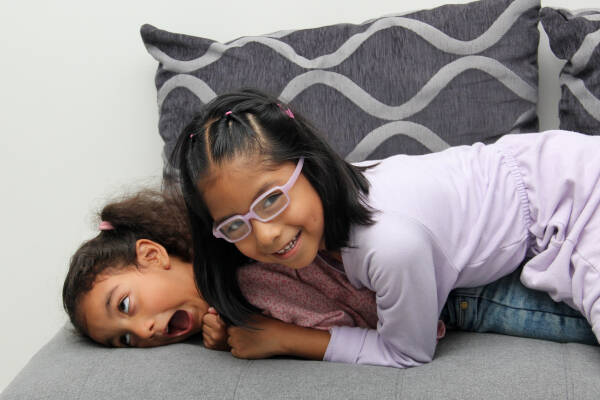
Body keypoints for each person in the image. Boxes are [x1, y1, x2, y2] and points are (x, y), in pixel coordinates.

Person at [173, 88, 600, 368]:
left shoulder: (388, 245)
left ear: (310, 164)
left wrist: (288, 339)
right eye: (235, 224)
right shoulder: (332, 198)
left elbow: (407, 351)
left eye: (271, 199)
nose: (264, 235)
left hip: (573, 200)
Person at [62, 189, 595, 351]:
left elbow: (363, 314)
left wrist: (273, 336)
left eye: (126, 307)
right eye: (124, 340)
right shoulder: (230, 305)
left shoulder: (247, 267)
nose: (144, 330)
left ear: (153, 255)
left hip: (458, 281)